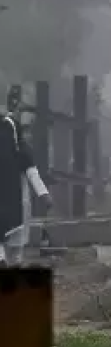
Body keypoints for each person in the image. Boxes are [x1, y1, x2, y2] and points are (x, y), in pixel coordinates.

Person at [0, 108, 51, 266]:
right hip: (18, 208)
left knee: (8, 249)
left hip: (13, 206)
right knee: (15, 252)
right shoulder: (21, 151)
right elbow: (32, 172)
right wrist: (44, 194)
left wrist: (44, 194)